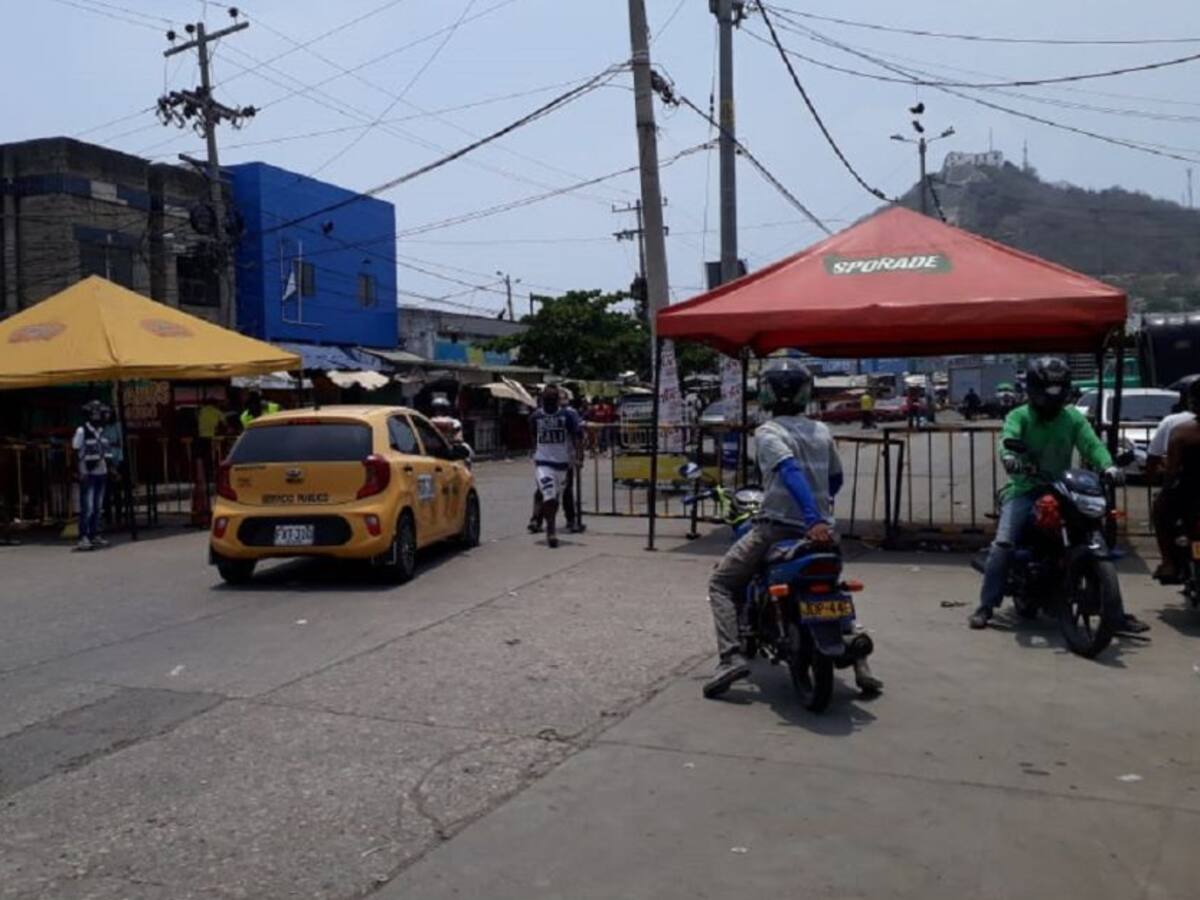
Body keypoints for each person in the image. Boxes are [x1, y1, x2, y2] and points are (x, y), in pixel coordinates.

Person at [704, 360, 883, 699]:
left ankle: (730, 658)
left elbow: (788, 470)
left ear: (767, 394)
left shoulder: (769, 432)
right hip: (824, 534)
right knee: (834, 587)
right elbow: (835, 479)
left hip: (778, 528)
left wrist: (809, 516)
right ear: (806, 393)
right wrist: (820, 515)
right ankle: (861, 663)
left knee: (722, 583)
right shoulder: (820, 430)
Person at [969, 357, 1149, 633]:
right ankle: (986, 605)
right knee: (1003, 543)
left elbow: (1092, 445)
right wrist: (1010, 458)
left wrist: (1109, 466)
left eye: (1058, 389)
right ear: (1033, 389)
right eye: (1046, 390)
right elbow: (1007, 441)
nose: (1052, 397)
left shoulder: (1073, 417)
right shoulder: (1019, 416)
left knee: (1094, 537)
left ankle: (1116, 613)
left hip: (1064, 487)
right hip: (1025, 488)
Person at [1152, 378, 1200, 583]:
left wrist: (1165, 484)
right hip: (1190, 493)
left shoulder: (1181, 432)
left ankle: (1168, 563)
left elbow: (1171, 471)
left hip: (1188, 491)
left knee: (1159, 512)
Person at [528, 385, 582, 548]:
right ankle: (550, 531)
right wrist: (534, 454)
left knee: (556, 498)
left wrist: (578, 458)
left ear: (558, 401)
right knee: (549, 496)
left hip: (563, 465)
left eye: (552, 400)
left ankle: (549, 520)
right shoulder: (535, 417)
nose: (549, 404)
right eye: (547, 400)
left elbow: (577, 437)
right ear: (542, 401)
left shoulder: (567, 416)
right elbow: (533, 437)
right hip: (544, 464)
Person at [71, 400, 111, 551]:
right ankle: (83, 537)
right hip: (88, 473)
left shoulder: (102, 430)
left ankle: (95, 535)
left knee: (98, 507)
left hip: (102, 472)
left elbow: (104, 451)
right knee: (87, 507)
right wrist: (80, 471)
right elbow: (75, 449)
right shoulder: (82, 431)